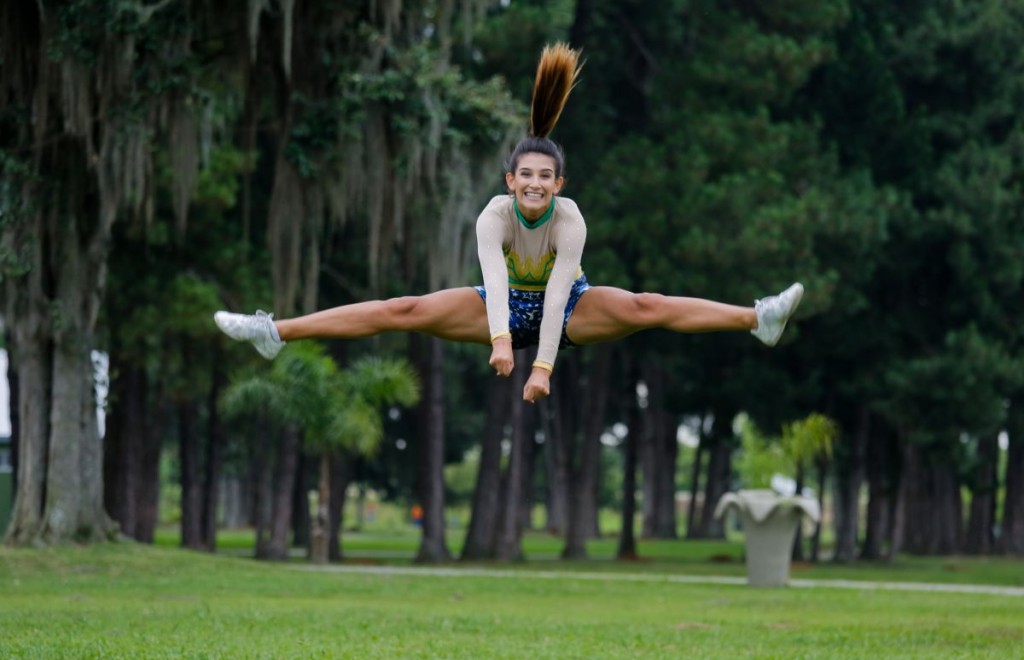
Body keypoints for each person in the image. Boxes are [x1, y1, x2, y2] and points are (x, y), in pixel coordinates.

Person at [214, 43, 804, 404]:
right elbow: (495, 283)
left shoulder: (569, 220)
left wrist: (541, 366)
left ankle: (759, 319)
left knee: (645, 306)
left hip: (567, 307)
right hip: (497, 306)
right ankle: (274, 332)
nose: (535, 183)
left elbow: (554, 294)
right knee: (403, 310)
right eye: (526, 174)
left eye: (546, 176)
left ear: (559, 184)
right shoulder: (492, 216)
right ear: (510, 179)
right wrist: (500, 340)